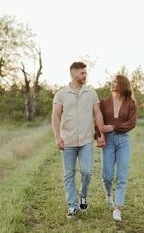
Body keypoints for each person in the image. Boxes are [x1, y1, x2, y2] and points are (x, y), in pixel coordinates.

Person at [51, 61, 105, 219]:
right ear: (73, 74)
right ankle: (72, 206)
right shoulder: (61, 94)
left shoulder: (91, 93)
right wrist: (57, 137)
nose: (85, 75)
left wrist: (101, 134)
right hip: (67, 141)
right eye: (82, 73)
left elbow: (98, 114)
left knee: (87, 172)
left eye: (85, 73)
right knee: (68, 174)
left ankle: (83, 195)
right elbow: (55, 116)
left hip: (86, 140)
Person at [95, 74, 137, 222]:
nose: (112, 84)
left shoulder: (131, 103)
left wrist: (114, 126)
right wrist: (98, 136)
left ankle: (117, 209)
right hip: (108, 141)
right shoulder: (104, 102)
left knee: (122, 176)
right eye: (112, 81)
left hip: (124, 140)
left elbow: (132, 123)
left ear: (122, 85)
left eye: (115, 82)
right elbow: (97, 121)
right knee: (107, 175)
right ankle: (108, 195)